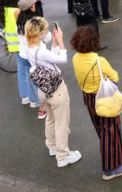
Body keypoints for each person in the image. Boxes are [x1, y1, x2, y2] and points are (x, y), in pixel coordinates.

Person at [21, 17, 82, 167]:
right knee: (62, 123)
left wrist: (53, 42)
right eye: (45, 30)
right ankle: (63, 156)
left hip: (43, 89)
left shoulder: (30, 47)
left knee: (51, 119)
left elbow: (51, 58)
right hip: (56, 90)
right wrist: (60, 41)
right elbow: (62, 59)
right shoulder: (40, 51)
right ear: (39, 33)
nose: (47, 32)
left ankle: (52, 147)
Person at [71, 26, 122, 180]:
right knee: (110, 131)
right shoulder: (99, 60)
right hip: (103, 97)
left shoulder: (76, 58)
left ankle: (109, 160)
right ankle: (110, 169)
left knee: (101, 129)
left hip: (88, 97)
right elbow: (115, 77)